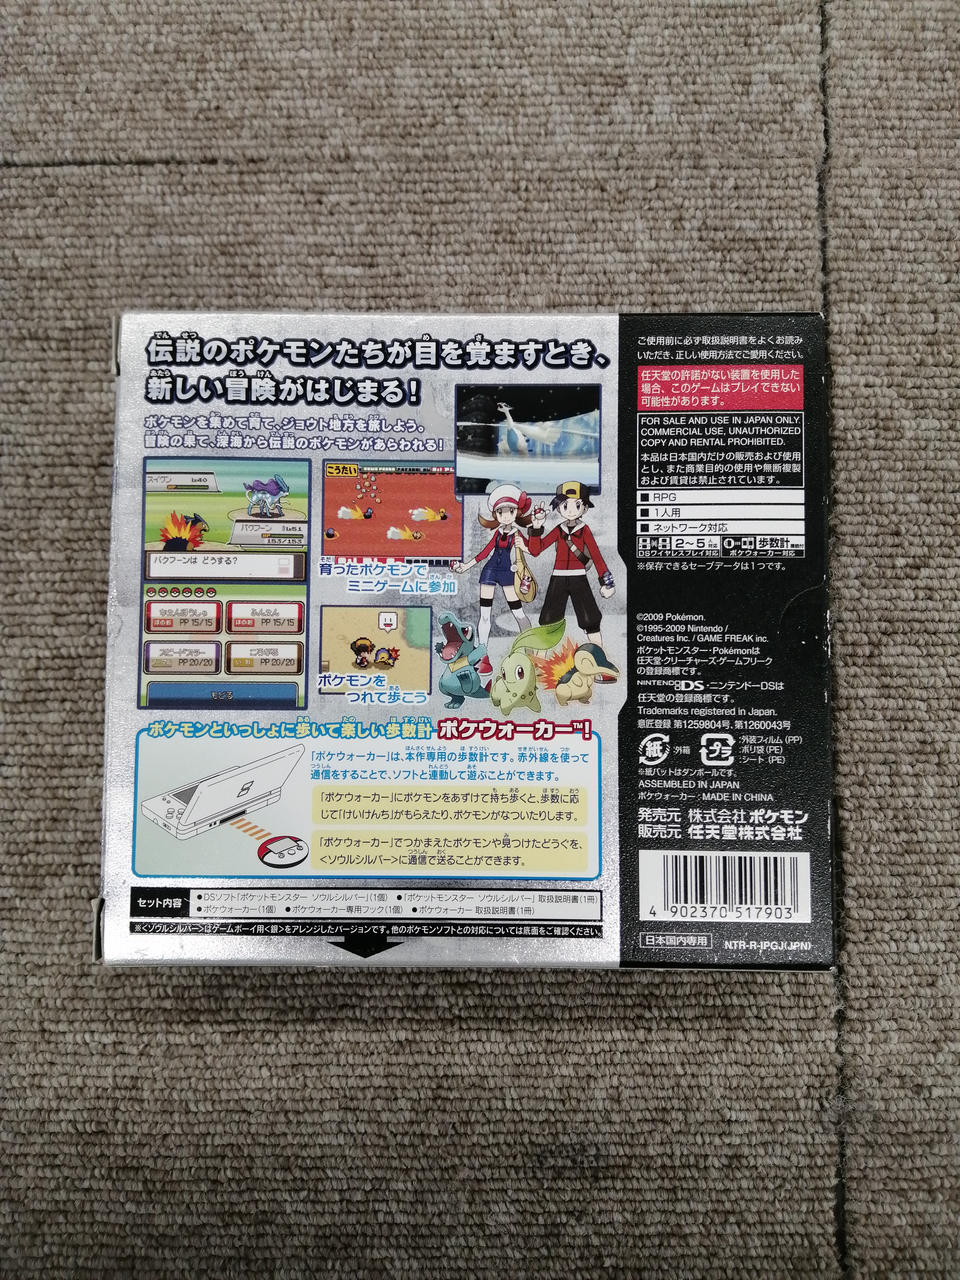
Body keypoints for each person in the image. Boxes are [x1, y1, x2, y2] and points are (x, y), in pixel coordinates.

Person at [527, 481, 614, 646]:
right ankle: (541, 658)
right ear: (559, 508)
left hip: (578, 577)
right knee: (548, 621)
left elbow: (596, 556)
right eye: (565, 505)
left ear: (585, 508)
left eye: (577, 505)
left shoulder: (584, 530)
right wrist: (536, 528)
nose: (571, 510)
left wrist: (606, 582)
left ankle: (599, 654)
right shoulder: (558, 530)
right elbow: (536, 550)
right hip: (558, 578)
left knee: (590, 620)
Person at [451, 484, 534, 644]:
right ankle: (483, 650)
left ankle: (529, 646)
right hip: (489, 571)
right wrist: (465, 566)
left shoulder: (517, 533)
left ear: (516, 512)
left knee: (518, 612)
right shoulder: (497, 532)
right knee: (484, 615)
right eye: (501, 512)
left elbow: (533, 551)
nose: (506, 516)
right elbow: (484, 553)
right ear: (496, 514)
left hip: (507, 573)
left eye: (510, 511)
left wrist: (524, 547)